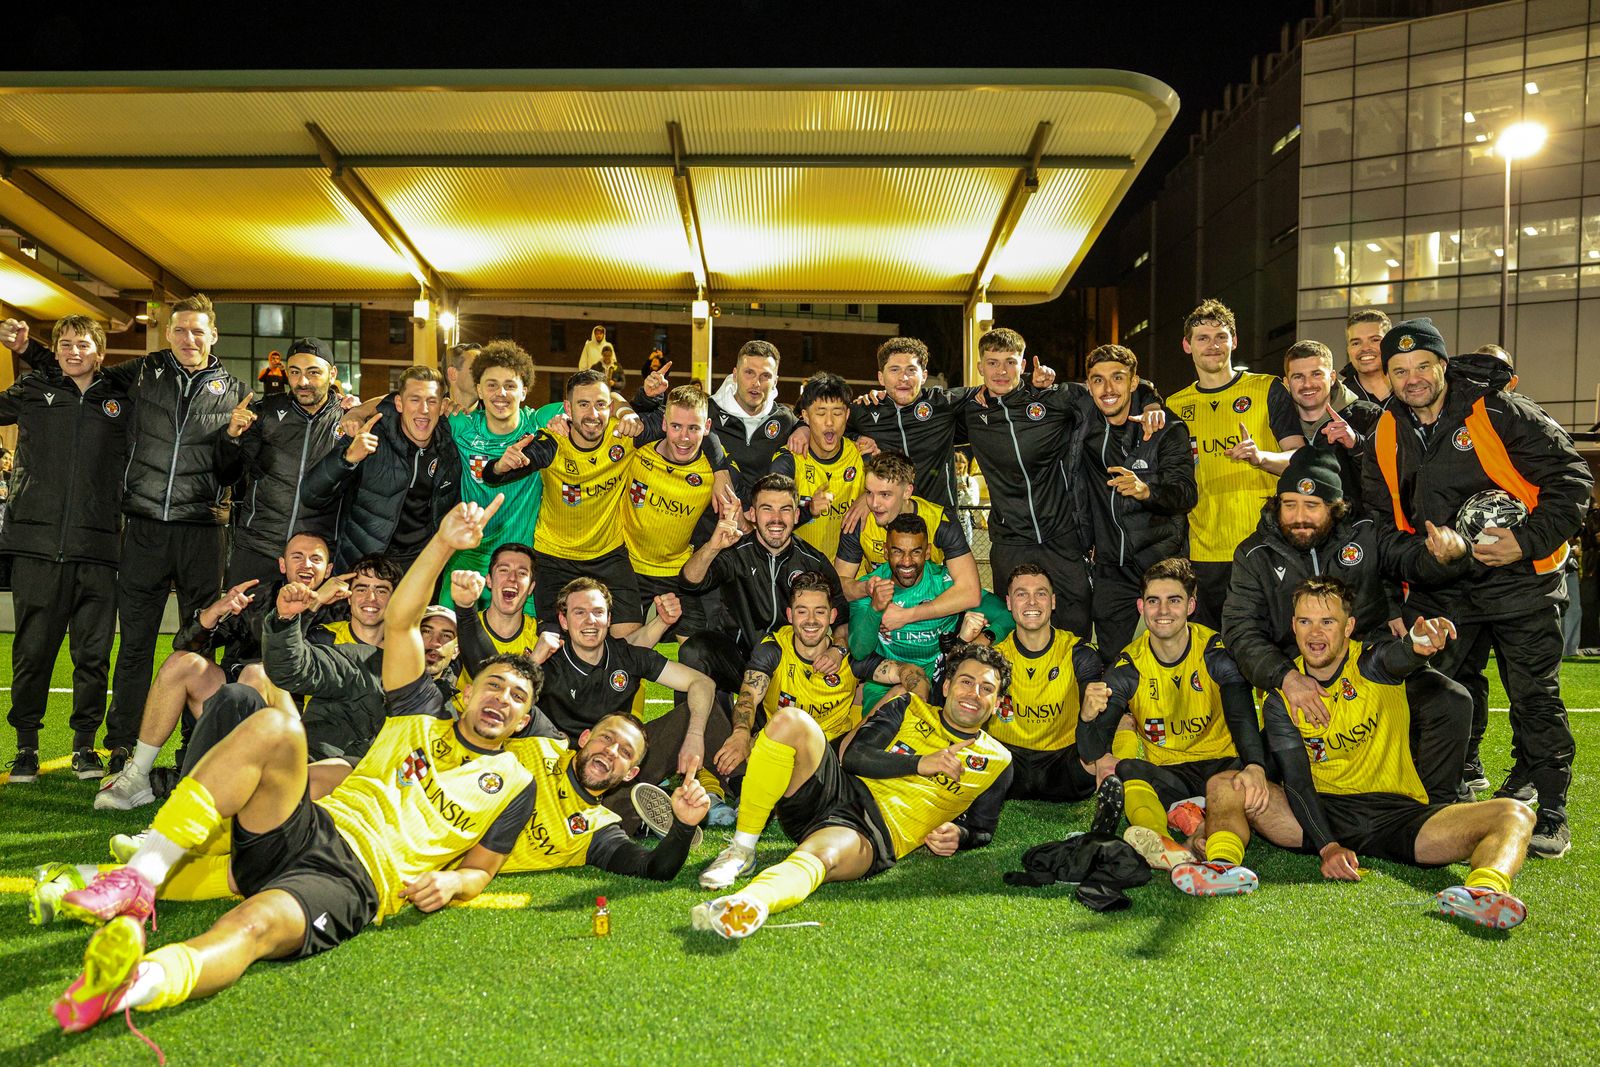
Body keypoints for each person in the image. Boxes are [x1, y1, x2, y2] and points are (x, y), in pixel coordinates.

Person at [48, 497, 540, 1036]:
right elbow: (401, 622)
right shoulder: (419, 711)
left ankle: (128, 987)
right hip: (308, 823)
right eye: (493, 684)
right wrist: (443, 542)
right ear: (467, 694)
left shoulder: (516, 782)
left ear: (523, 721)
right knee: (275, 726)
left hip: (353, 878)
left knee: (252, 925)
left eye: (517, 698)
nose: (502, 698)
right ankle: (141, 875)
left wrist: (453, 883)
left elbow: (482, 869)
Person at [1364, 317, 1591, 858]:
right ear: (1387, 376)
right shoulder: (1386, 431)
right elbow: (1380, 528)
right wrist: (1427, 558)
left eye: (1423, 365)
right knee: (1438, 692)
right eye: (1400, 370)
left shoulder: (1498, 410)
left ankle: (1550, 809)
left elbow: (1572, 480)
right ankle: (1444, 796)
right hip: (1442, 589)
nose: (1413, 378)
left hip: (1519, 583)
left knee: (1534, 697)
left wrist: (1525, 541)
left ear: (1444, 365)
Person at [1195, 577, 1537, 931]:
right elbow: (1296, 780)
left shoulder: (1371, 663)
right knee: (1225, 784)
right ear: (1293, 626)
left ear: (1349, 627)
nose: (1315, 633)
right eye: (1305, 621)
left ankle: (1483, 893)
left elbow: (1399, 656)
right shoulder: (1284, 693)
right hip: (1320, 814)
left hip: (1398, 817)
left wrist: (1417, 644)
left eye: (1328, 622)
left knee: (1515, 814)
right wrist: (1327, 846)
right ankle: (1222, 866)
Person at [6, 295, 249, 773]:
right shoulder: (142, 373)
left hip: (203, 531)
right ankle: (121, 742)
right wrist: (29, 349)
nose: (188, 338)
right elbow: (79, 370)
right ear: (168, 333)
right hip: (143, 527)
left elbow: (234, 469)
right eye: (180, 330)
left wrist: (348, 407)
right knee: (134, 644)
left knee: (201, 642)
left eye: (198, 331)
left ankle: (194, 744)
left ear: (213, 335)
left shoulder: (237, 393)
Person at [690, 645, 1014, 938]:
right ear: (947, 686)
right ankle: (742, 850)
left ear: (997, 702)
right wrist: (920, 763)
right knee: (790, 721)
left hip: (872, 831)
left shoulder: (997, 761)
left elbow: (982, 828)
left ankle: (748, 902)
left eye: (987, 688)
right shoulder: (909, 706)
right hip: (835, 791)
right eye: (966, 681)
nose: (974, 693)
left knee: (823, 855)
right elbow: (855, 756)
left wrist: (960, 835)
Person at [1223, 448, 1471, 803]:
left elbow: (1411, 557)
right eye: (1289, 504)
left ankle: (1436, 805)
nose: (1299, 517)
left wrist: (1446, 555)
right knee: (1251, 780)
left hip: (1371, 665)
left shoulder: (1365, 532)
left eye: (1312, 506)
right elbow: (1240, 629)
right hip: (1303, 678)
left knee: (1449, 701)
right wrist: (1287, 678)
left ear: (1334, 506)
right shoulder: (1254, 553)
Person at [93, 532, 336, 810]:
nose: (306, 565)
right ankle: (138, 774)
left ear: (329, 569)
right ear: (282, 564)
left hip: (292, 718)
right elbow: (184, 644)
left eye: (315, 559)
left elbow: (311, 667)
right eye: (297, 557)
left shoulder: (339, 605)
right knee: (182, 663)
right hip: (235, 702)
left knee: (256, 674)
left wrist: (311, 607)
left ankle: (235, 788)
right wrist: (215, 611)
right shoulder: (259, 597)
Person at [484, 368, 731, 637]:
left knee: (626, 640)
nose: (593, 414)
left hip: (608, 556)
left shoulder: (624, 434)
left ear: (610, 407)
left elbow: (687, 425)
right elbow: (494, 475)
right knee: (554, 641)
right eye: (583, 404)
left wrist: (720, 469)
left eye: (600, 404)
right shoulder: (553, 442)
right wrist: (498, 467)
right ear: (568, 408)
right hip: (555, 557)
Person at [959, 327, 1162, 637]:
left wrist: (1151, 404)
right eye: (992, 362)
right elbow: (919, 408)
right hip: (1011, 541)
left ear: (1023, 365)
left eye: (1010, 362)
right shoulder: (969, 408)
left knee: (1077, 623)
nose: (1001, 371)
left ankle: (1077, 669)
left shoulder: (1052, 398)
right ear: (980, 367)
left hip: (1061, 536)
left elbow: (1115, 388)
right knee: (1014, 627)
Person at [0, 315, 130, 781]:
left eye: (84, 344)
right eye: (66, 344)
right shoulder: (34, 389)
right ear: (54, 351)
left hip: (98, 547)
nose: (75, 351)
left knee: (92, 656)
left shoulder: (121, 398)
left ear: (100, 352)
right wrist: (26, 351)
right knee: (32, 653)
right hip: (36, 545)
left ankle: (84, 746)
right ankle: (26, 747)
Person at [1077, 558, 1265, 874]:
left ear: (1191, 605)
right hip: (1171, 776)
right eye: (1154, 601)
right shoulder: (1128, 666)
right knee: (1127, 768)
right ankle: (1163, 844)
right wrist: (1086, 716)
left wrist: (1255, 766)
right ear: (1141, 606)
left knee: (1242, 777)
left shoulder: (1216, 652)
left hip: (1224, 766)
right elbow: (1092, 751)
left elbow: (1242, 720)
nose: (1163, 610)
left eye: (1174, 600)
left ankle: (1216, 853)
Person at [526, 577, 723, 820]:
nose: (590, 620)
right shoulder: (550, 661)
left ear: (609, 619)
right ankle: (634, 812)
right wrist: (534, 662)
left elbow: (702, 683)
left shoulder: (625, 655)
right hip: (566, 769)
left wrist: (694, 736)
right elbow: (505, 706)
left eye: (598, 612)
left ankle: (745, 789)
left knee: (704, 709)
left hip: (621, 763)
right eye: (579, 612)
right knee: (596, 802)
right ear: (564, 621)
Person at [1166, 299, 1307, 628]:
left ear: (1235, 341)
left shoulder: (1267, 388)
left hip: (1265, 543)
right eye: (1203, 338)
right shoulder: (1174, 405)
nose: (1213, 345)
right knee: (1214, 647)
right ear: (1187, 345)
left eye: (1221, 337)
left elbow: (1300, 459)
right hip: (1205, 551)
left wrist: (1261, 458)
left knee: (1268, 639)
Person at [677, 474, 851, 693]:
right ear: (752, 514)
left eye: (785, 510)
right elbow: (689, 582)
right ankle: (709, 715)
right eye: (767, 509)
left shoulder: (814, 562)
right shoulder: (735, 552)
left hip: (788, 668)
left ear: (797, 515)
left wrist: (838, 649)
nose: (776, 519)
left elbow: (842, 618)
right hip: (739, 659)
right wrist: (713, 546)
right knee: (694, 651)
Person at [1077, 344, 1196, 656]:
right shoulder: (1086, 424)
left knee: (1170, 655)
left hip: (1161, 563)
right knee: (1114, 662)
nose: (1108, 389)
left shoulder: (1166, 427)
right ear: (1089, 385)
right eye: (1098, 380)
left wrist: (1147, 491)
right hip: (1111, 567)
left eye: (1118, 378)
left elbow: (1186, 494)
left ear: (1132, 382)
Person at [301, 365, 460, 573]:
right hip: (366, 565)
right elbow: (311, 496)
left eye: (432, 401)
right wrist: (347, 459)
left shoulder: (449, 448)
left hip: (420, 566)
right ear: (399, 403)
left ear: (442, 406)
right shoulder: (369, 436)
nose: (424, 409)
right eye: (415, 400)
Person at [847, 513, 1011, 711]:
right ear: (885, 551)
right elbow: (859, 651)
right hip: (887, 684)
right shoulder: (871, 587)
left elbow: (1007, 615)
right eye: (898, 552)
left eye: (915, 552)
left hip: (942, 684)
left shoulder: (946, 584)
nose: (906, 562)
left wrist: (982, 639)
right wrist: (875, 609)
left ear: (927, 552)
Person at [218, 337, 345, 588]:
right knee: (238, 615)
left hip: (314, 557)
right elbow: (227, 475)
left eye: (313, 372)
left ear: (332, 374)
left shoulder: (348, 420)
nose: (303, 382)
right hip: (258, 548)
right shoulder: (263, 413)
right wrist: (231, 437)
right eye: (295, 372)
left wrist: (362, 409)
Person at [988, 564, 1108, 802]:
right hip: (1008, 761)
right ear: (1009, 603)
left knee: (1103, 757)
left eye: (1040, 594)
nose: (1032, 602)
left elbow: (1094, 736)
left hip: (1062, 762)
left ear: (1052, 601)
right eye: (1022, 594)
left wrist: (1087, 717)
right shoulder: (993, 658)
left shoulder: (1078, 653)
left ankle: (1115, 797)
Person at [619, 383, 729, 635]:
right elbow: (611, 400)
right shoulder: (636, 450)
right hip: (626, 568)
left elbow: (745, 513)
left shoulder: (713, 471)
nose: (684, 437)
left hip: (676, 571)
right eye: (676, 426)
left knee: (697, 651)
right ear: (664, 424)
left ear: (707, 428)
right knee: (621, 649)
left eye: (693, 428)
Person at [639, 340, 794, 503]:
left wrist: (802, 428)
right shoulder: (706, 410)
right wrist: (647, 399)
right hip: (707, 516)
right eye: (749, 373)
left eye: (765, 376)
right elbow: (646, 426)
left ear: (775, 381)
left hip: (763, 516)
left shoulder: (785, 419)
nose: (756, 383)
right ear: (735, 374)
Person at [832, 450, 979, 617]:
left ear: (907, 492)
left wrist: (907, 616)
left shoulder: (940, 521)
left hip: (930, 611)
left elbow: (970, 592)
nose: (874, 504)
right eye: (869, 493)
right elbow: (839, 586)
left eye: (885, 494)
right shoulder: (859, 522)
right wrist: (866, 587)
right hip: (881, 612)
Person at [770, 372, 865, 561]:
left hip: (852, 571)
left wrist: (869, 498)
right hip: (801, 569)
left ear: (847, 414)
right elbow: (771, 522)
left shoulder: (862, 454)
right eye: (821, 413)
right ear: (805, 416)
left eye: (837, 413)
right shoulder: (788, 461)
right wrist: (809, 510)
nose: (829, 422)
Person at [1281, 339, 1382, 512]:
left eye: (1316, 374)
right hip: (1297, 525)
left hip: (1357, 525)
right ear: (1286, 383)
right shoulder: (1277, 423)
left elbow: (1392, 478)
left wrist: (1357, 444)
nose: (1307, 384)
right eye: (1298, 377)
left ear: (1332, 377)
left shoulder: (1368, 416)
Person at [446, 543, 541, 692]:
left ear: (531, 588)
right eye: (504, 570)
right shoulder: (459, 629)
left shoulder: (541, 637)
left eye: (522, 573)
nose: (512, 578)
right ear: (489, 580)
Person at [1341, 308, 1391, 405]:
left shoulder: (1411, 389)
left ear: (1390, 344)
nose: (1365, 348)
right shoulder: (1338, 398)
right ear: (1348, 349)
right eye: (1356, 343)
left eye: (1375, 340)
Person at [443, 341, 481, 414]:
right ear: (452, 373)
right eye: (477, 369)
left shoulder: (495, 417)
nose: (484, 375)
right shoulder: (431, 416)